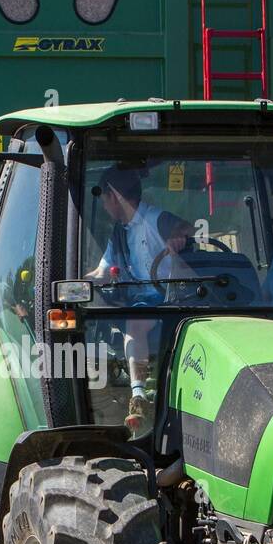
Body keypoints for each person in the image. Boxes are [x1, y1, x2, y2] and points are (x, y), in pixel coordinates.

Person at [84, 167, 193, 431]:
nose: (105, 206)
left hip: (170, 301)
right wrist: (78, 283)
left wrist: (179, 238)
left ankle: (138, 395)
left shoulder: (155, 219)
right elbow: (102, 272)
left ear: (115, 196)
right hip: (142, 302)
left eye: (105, 199)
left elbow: (186, 228)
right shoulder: (119, 232)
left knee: (134, 323)